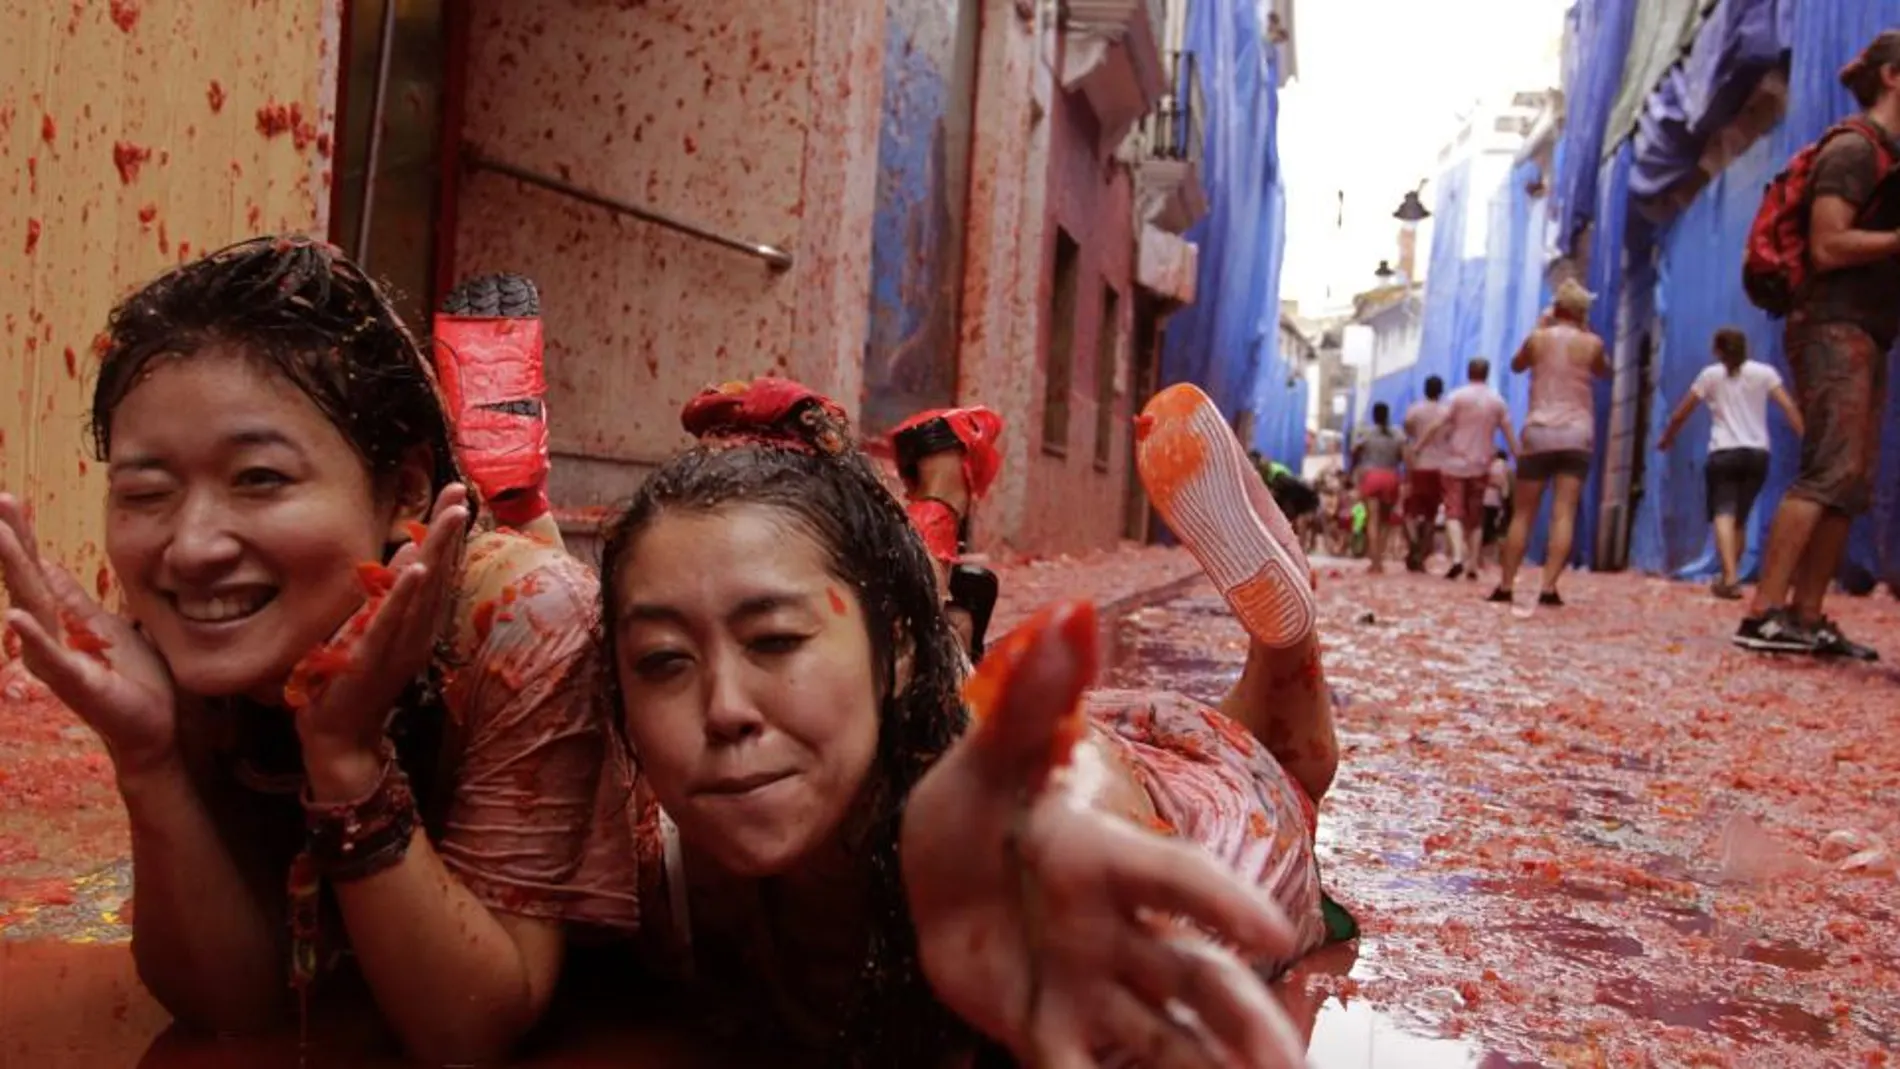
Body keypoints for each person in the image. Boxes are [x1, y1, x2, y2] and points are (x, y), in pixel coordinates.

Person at [0, 237, 637, 1064]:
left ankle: (510, 481)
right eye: (146, 493)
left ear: (402, 486)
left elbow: (470, 1031)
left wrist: (347, 758)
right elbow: (231, 1005)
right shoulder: (199, 621)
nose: (191, 548)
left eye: (259, 478)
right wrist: (147, 756)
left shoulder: (524, 621)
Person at [595, 378, 1347, 1067]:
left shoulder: (1027, 833)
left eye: (774, 640)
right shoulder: (646, 867)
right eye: (664, 659)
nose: (723, 707)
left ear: (895, 652)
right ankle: (941, 498)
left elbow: (1066, 812)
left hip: (1177, 800)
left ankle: (1286, 639)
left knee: (1293, 767)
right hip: (947, 695)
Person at [1735, 31, 1900, 661]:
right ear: (1892, 77)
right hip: (1833, 323)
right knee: (1827, 470)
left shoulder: (1883, 153)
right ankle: (1764, 611)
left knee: (1849, 479)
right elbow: (1829, 245)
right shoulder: (1856, 150)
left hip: (1864, 325)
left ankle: (1806, 614)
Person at [1656, 328, 1806, 599]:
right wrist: (1805, 437)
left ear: (1717, 350)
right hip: (1758, 453)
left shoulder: (1710, 376)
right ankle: (1729, 575)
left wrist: (1667, 437)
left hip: (1724, 452)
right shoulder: (1765, 373)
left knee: (1722, 513)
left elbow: (1682, 412)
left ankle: (1730, 576)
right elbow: (1788, 406)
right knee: (1741, 519)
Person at [1490, 280, 1610, 607]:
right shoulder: (1593, 344)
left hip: (1538, 432)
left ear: (1555, 309)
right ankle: (1548, 587)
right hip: (1576, 433)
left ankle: (1505, 585)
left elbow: (1516, 365)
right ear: (1582, 312)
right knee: (1563, 513)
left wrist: (1539, 328)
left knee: (1522, 513)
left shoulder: (1537, 340)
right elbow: (1605, 371)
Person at [1416, 357, 1518, 581]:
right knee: (1476, 516)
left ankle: (1457, 559)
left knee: (1453, 511)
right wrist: (1518, 454)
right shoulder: (1497, 400)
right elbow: (1508, 430)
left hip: (1454, 464)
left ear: (1468, 372)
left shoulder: (1456, 397)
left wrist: (1419, 445)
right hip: (1481, 465)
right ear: (1487, 373)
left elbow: (1437, 424)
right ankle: (1473, 563)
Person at [1349, 403, 1406, 573]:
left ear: (1374, 416)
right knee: (1386, 521)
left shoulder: (1366, 434)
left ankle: (1375, 562)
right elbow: (1404, 455)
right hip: (1391, 476)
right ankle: (1380, 556)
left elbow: (1354, 452)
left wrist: (1353, 472)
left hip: (1371, 476)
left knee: (1372, 519)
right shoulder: (1397, 434)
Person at [1401, 376, 1450, 571]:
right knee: (1431, 515)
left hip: (1419, 465)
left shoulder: (1415, 409)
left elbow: (1408, 430)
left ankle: (1413, 543)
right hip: (1440, 467)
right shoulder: (1446, 412)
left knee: (1409, 512)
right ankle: (1421, 554)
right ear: (1441, 390)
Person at [1482, 449, 1512, 568]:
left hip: (1485, 500)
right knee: (1493, 530)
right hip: (1495, 501)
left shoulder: (1492, 464)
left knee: (1484, 528)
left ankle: (1482, 557)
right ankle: (1490, 558)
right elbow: (1504, 486)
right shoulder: (1504, 466)